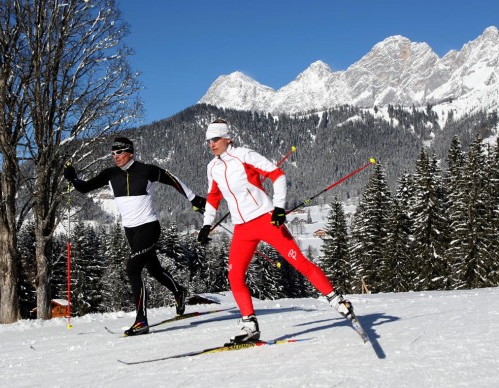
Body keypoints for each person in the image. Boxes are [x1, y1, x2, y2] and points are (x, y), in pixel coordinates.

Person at [197, 119, 353, 344]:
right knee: (235, 275)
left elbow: (277, 175)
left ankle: (337, 300)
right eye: (208, 141)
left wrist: (278, 208)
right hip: (242, 227)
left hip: (265, 220)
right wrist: (206, 224)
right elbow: (213, 197)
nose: (211, 144)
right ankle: (249, 324)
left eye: (215, 139)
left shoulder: (244, 155)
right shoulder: (213, 167)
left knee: (299, 262)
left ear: (227, 138)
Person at [64, 137, 206, 336]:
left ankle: (141, 320)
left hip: (149, 227)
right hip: (130, 231)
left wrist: (195, 199)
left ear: (130, 152)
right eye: (113, 153)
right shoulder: (110, 174)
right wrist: (72, 178)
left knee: (132, 269)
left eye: (119, 153)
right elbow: (85, 187)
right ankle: (178, 291)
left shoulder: (146, 170)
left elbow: (173, 180)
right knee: (154, 270)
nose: (116, 157)